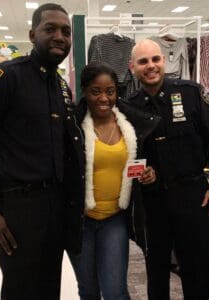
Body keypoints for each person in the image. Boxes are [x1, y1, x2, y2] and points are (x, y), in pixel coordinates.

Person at [0, 3, 85, 299]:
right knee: (20, 289)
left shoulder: (60, 86)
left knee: (49, 285)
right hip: (18, 209)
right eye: (51, 29)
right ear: (32, 35)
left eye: (66, 32)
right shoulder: (7, 78)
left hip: (55, 206)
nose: (60, 36)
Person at [127, 38, 209, 300]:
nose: (151, 66)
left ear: (163, 61)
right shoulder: (128, 106)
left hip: (193, 196)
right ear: (132, 66)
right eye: (143, 61)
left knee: (196, 268)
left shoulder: (191, 93)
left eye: (156, 59)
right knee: (156, 269)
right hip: (153, 202)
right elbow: (127, 158)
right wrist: (140, 175)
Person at [68, 62, 160, 300]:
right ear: (84, 91)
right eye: (95, 91)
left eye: (110, 91)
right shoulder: (72, 127)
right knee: (88, 290)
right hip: (81, 222)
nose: (104, 98)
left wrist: (148, 174)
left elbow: (143, 165)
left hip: (114, 220)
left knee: (115, 291)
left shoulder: (130, 125)